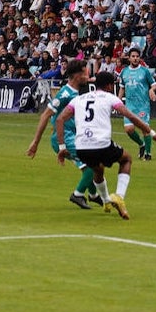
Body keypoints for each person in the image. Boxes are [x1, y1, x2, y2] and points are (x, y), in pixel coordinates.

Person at [54, 70, 156, 220]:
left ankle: (106, 201)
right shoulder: (110, 98)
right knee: (126, 159)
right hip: (101, 144)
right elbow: (131, 116)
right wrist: (151, 133)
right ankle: (119, 196)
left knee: (98, 170)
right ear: (109, 85)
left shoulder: (78, 99)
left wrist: (62, 148)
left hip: (81, 147)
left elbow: (60, 120)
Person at [26, 57, 104, 209]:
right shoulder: (65, 94)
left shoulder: (76, 93)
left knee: (87, 167)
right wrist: (35, 142)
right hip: (64, 137)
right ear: (76, 76)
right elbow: (45, 115)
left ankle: (93, 195)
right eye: (86, 73)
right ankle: (78, 194)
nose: (88, 76)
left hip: (72, 136)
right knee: (94, 164)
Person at [119, 47, 156, 161]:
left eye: (137, 56)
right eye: (133, 56)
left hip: (143, 105)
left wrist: (152, 90)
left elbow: (154, 84)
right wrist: (117, 101)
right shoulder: (124, 72)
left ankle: (148, 154)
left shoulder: (145, 71)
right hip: (129, 106)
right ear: (129, 58)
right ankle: (141, 144)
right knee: (128, 129)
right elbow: (122, 88)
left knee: (145, 129)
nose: (135, 58)